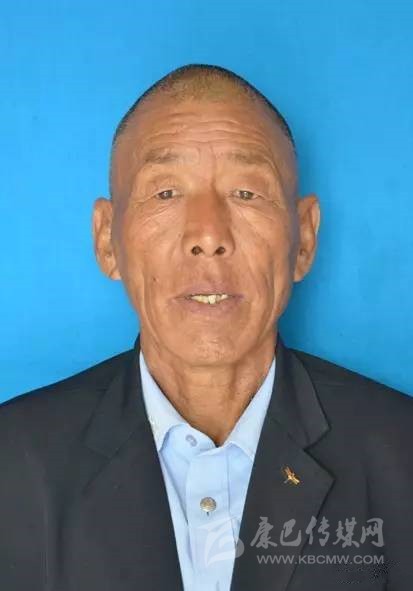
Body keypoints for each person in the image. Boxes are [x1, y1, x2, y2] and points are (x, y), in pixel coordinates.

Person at [1, 64, 412, 591]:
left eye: (246, 193)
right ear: (107, 241)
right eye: (165, 193)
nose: (208, 235)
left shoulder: (402, 456)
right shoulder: (12, 464)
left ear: (304, 239)